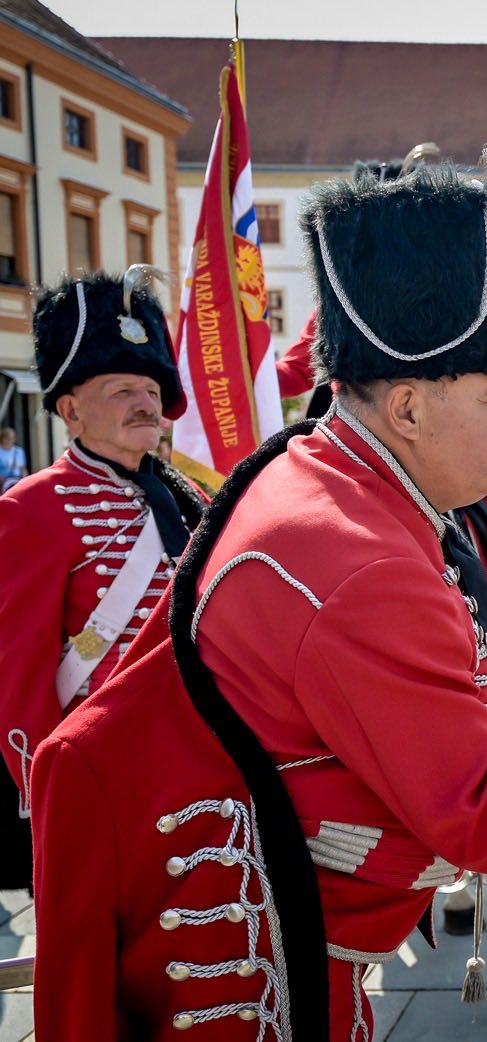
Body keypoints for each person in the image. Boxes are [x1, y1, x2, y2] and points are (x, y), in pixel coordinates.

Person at [27, 152, 487, 1040]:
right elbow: (476, 810)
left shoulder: (311, 467)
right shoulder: (368, 566)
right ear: (407, 408)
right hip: (257, 975)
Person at [0, 266, 207, 891]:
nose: (146, 403)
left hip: (199, 763)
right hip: (104, 776)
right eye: (122, 391)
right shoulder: (30, 508)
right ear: (71, 410)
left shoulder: (188, 499)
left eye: (150, 389)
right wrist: (53, 796)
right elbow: (18, 675)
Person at [0, 426, 24, 491]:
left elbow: (23, 468)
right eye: (7, 438)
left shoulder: (19, 451)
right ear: (2, 439)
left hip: (17, 480)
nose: (10, 440)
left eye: (12, 438)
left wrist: (26, 479)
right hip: (3, 482)